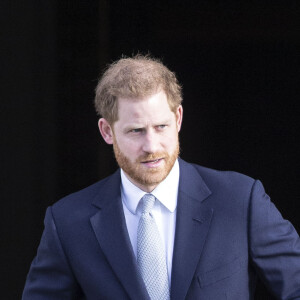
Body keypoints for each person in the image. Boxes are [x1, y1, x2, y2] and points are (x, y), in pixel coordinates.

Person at [22, 55, 300, 299]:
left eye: (161, 126)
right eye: (136, 131)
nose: (152, 146)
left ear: (178, 118)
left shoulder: (240, 200)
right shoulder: (69, 222)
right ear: (107, 131)